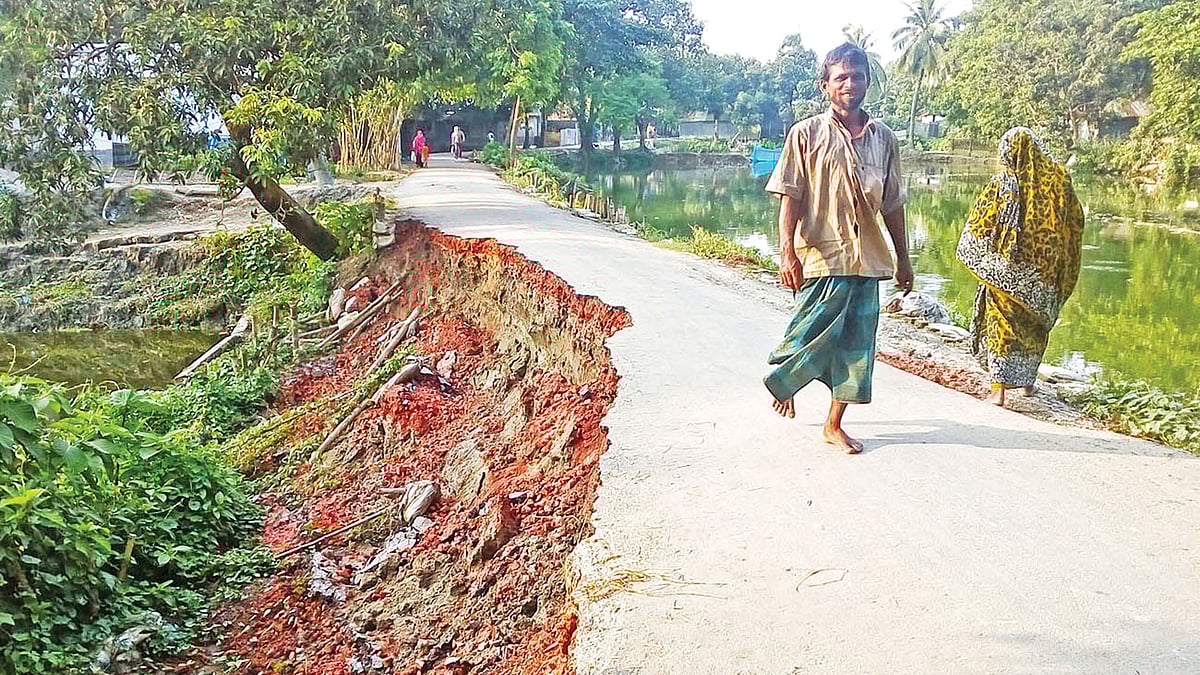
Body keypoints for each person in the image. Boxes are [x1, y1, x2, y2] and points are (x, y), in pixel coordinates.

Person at [763, 42, 913, 455]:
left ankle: (834, 424)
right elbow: (789, 196)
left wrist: (903, 259)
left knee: (857, 345)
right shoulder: (806, 134)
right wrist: (786, 252)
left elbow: (894, 204)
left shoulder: (884, 139)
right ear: (825, 85)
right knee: (808, 334)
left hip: (867, 259)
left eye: (858, 75)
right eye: (841, 77)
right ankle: (786, 379)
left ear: (869, 82)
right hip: (820, 256)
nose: (851, 83)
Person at [956, 127, 1084, 407]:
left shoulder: (1005, 182)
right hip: (1045, 273)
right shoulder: (1061, 181)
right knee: (1035, 327)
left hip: (1007, 268)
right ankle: (1027, 384)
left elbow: (982, 221)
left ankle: (998, 391)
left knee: (1003, 322)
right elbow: (1075, 225)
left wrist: (980, 253)